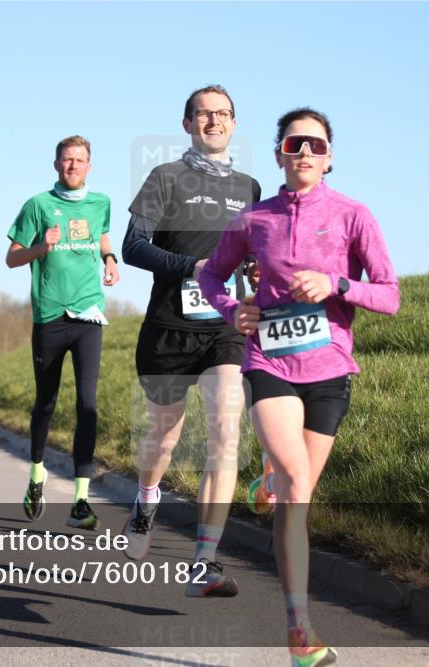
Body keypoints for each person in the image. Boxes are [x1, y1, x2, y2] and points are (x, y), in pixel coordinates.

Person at [198, 107, 400, 666]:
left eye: (315, 144)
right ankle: (299, 631)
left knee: (296, 495)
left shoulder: (354, 215)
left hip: (330, 370)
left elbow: (389, 294)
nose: (305, 152)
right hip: (270, 363)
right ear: (279, 154)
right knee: (295, 483)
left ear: (330, 156)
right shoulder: (254, 220)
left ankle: (266, 476)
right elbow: (210, 273)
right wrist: (231, 308)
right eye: (295, 143)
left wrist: (337, 283)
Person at [120, 85, 261, 597]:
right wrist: (192, 268)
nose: (214, 121)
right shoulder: (165, 178)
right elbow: (132, 245)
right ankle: (146, 499)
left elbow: (254, 251)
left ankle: (205, 560)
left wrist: (255, 268)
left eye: (223, 114)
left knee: (226, 432)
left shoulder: (249, 187)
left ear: (234, 123)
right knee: (164, 439)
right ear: (187, 124)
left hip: (224, 328)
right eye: (204, 114)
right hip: (168, 330)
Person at [6, 135, 120, 530]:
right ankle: (37, 476)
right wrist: (42, 247)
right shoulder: (37, 205)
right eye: (67, 160)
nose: (73, 166)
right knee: (47, 402)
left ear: (90, 166)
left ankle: (81, 501)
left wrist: (110, 258)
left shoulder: (101, 202)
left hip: (89, 315)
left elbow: (101, 235)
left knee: (87, 405)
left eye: (80, 160)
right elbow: (10, 258)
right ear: (56, 165)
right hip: (50, 316)